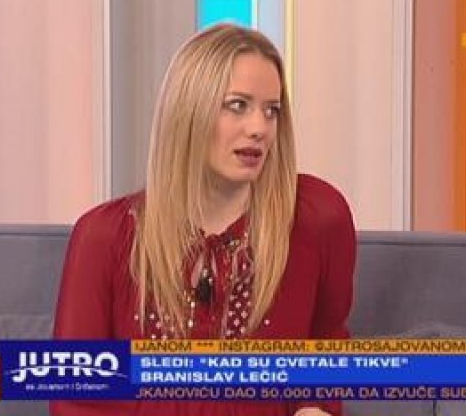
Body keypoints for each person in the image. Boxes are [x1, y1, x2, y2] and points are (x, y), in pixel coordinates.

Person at [51, 23, 356, 416]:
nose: (259, 129)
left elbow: (326, 345)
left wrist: (315, 407)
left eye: (272, 110)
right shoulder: (103, 237)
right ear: (188, 112)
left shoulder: (317, 218)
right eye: (238, 105)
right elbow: (75, 399)